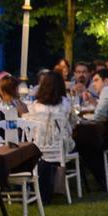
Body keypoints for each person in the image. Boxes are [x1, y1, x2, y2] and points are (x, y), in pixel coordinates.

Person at [27, 71, 72, 206]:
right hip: (62, 147)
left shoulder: (35, 106)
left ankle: (39, 191)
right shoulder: (65, 104)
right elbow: (71, 125)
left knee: (43, 158)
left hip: (39, 147)